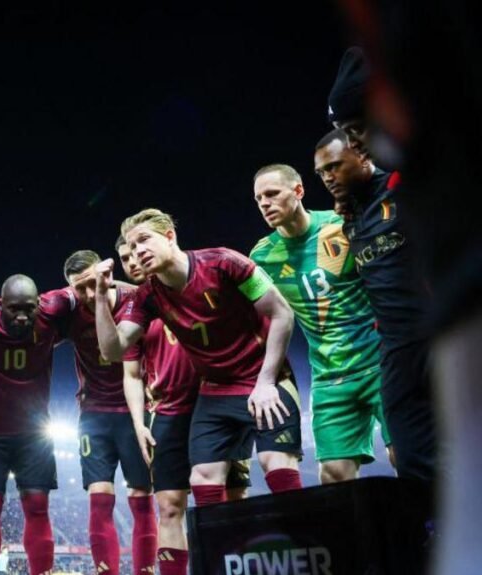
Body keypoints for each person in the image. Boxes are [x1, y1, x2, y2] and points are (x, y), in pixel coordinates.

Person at [95, 208, 301, 508]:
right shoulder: (147, 296)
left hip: (264, 378)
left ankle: (306, 548)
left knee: (277, 465)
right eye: (132, 246)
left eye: (144, 240)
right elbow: (113, 350)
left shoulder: (224, 263)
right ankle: (220, 553)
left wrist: (267, 382)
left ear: (169, 236)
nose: (138, 251)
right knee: (202, 478)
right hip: (215, 390)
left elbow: (282, 313)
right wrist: (101, 297)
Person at [327, 47, 437, 485]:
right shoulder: (359, 206)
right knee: (416, 463)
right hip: (399, 351)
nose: (354, 142)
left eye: (356, 129)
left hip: (446, 336)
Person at [114, 236, 249, 575]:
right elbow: (131, 373)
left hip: (218, 401)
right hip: (169, 412)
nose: (132, 261)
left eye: (136, 252)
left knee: (232, 500)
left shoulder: (200, 284)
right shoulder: (136, 311)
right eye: (124, 257)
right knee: (170, 506)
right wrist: (139, 423)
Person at [250, 162, 391, 482]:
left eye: (272, 194)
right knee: (334, 477)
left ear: (298, 191)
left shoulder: (340, 226)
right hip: (330, 379)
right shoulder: (262, 257)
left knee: (408, 456)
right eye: (259, 199)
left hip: (382, 364)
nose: (265, 204)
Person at [0, 275, 73, 575]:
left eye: (29, 308)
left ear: (40, 303)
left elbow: (90, 286)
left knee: (37, 507)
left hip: (35, 434)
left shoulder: (53, 309)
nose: (22, 316)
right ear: (0, 304)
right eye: (13, 309)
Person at [61, 249, 155, 575]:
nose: (88, 294)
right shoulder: (70, 311)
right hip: (93, 415)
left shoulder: (137, 299)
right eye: (79, 288)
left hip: (136, 414)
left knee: (142, 497)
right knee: (100, 500)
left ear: (106, 274)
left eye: (92, 284)